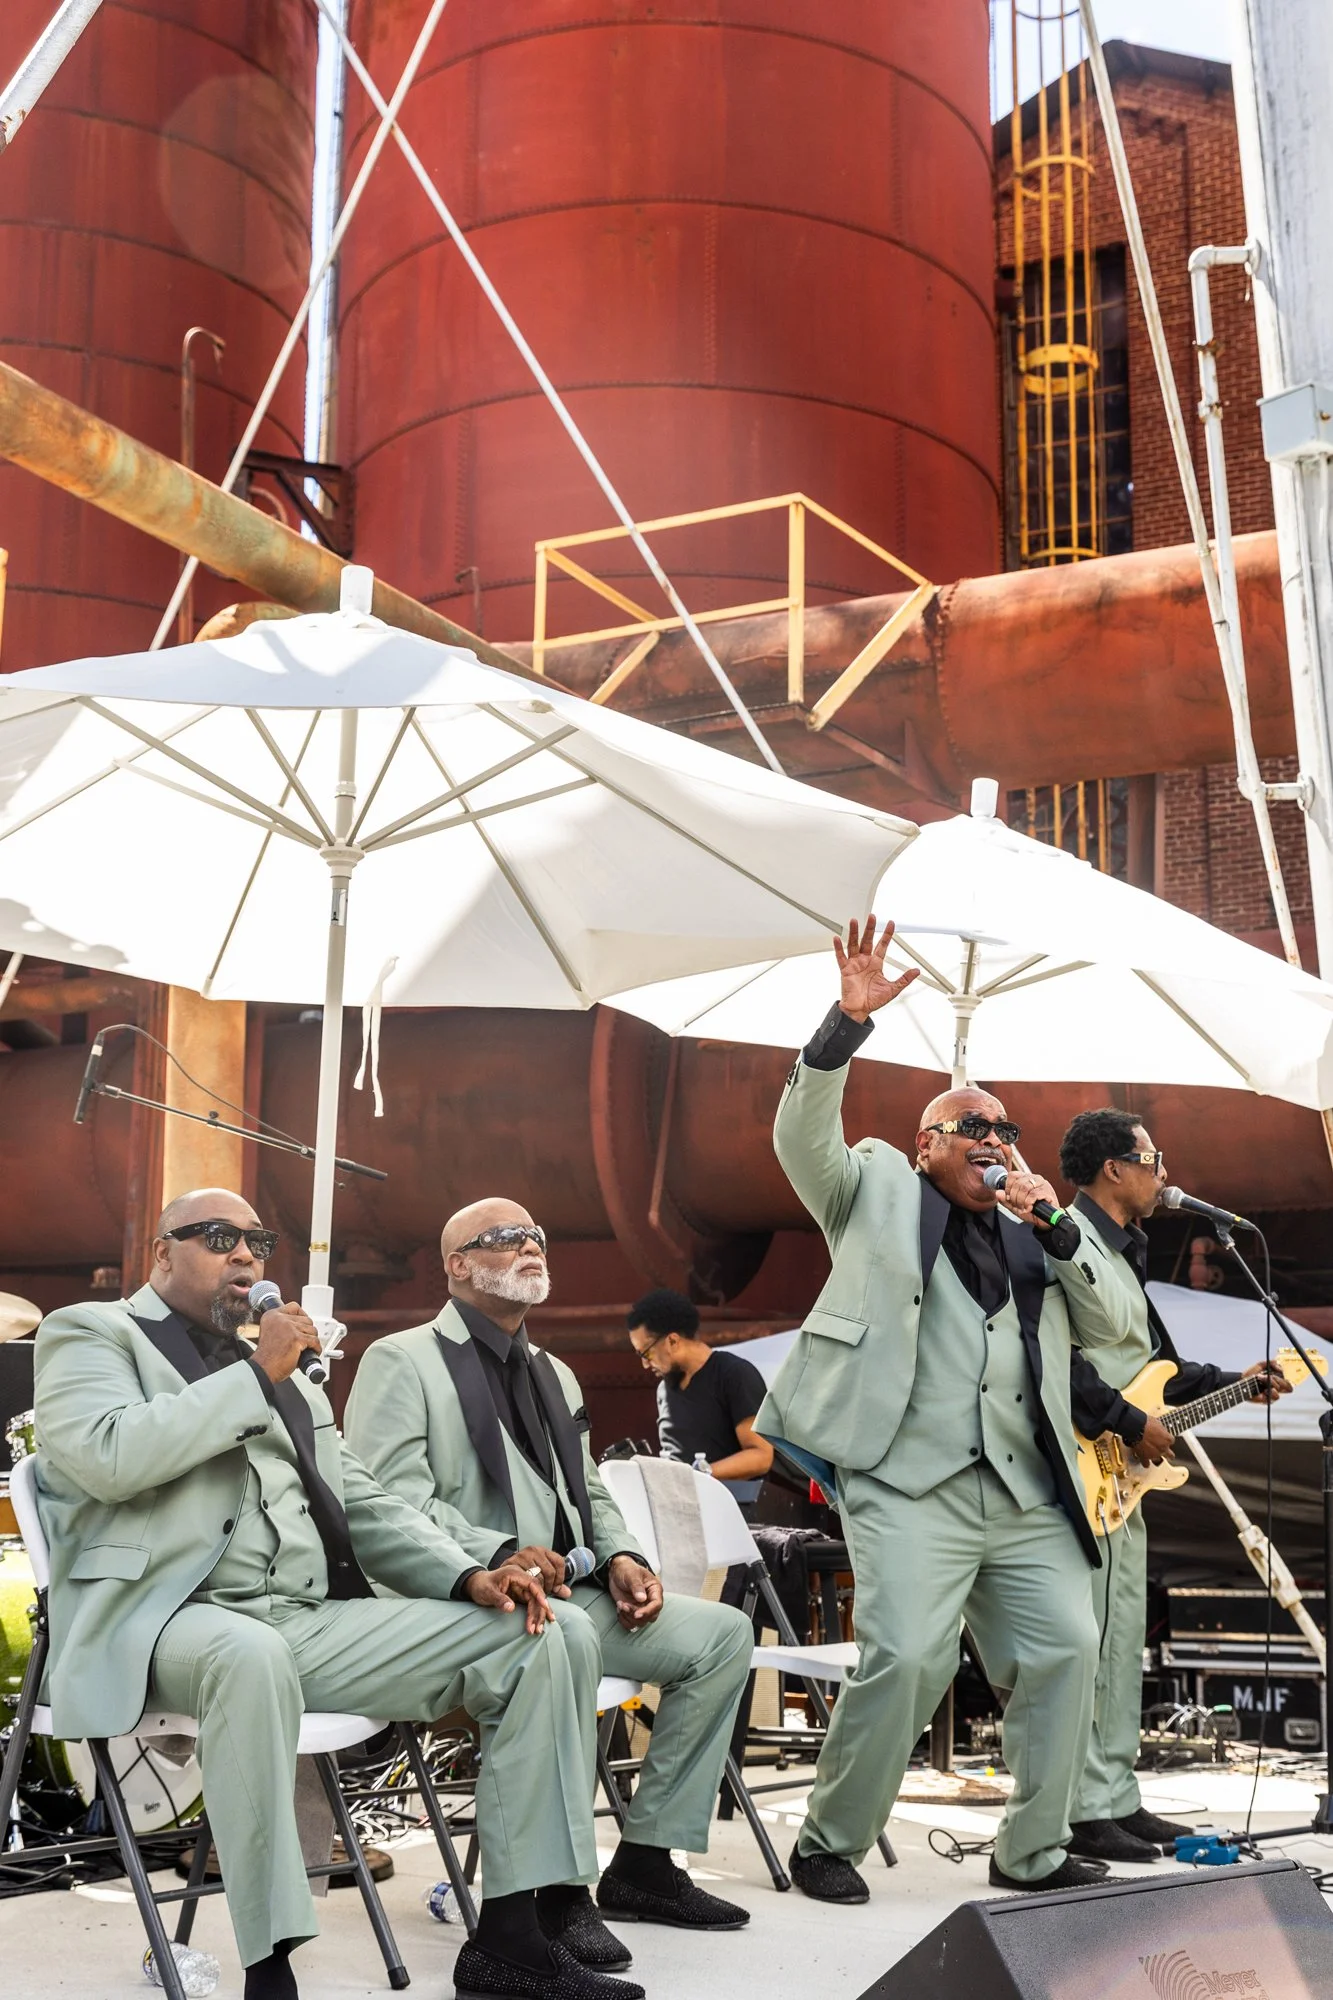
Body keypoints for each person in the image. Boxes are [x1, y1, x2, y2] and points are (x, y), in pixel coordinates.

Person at [34, 1188, 643, 2000]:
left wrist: (467, 1574)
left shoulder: (283, 1370)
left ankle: (510, 1937)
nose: (246, 1255)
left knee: (547, 1633)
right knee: (246, 1654)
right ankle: (271, 1967)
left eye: (259, 1240)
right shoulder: (91, 1332)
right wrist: (258, 1375)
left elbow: (365, 1501)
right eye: (219, 1237)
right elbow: (105, 1457)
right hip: (163, 1622)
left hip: (302, 1620)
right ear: (160, 1253)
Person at [755, 917, 1139, 1903]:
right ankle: (829, 1840)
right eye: (975, 1128)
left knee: (1065, 1645)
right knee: (910, 1654)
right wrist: (842, 1026)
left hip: (1021, 1485)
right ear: (926, 1143)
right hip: (905, 1476)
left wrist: (1053, 1220)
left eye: (1006, 1129)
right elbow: (801, 1138)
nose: (996, 1143)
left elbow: (1118, 1319)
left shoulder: (1038, 1230)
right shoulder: (873, 1185)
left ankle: (1032, 1847)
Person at [344, 1200, 755, 1972]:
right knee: (559, 1643)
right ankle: (558, 1893)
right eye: (504, 1238)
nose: (529, 1246)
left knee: (724, 1635)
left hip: (570, 1593)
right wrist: (497, 1549)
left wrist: (625, 1552)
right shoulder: (400, 1360)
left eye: (536, 1234)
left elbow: (588, 1489)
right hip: (467, 1601)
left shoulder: (553, 1370)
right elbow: (391, 1501)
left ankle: (646, 1863)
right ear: (458, 1265)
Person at [1060, 1109, 1289, 1864]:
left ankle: (1115, 1795)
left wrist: (1238, 1382)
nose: (1163, 1171)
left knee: (1124, 1639)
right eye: (1150, 1157)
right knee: (1088, 1643)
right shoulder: (1061, 1240)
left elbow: (1164, 1367)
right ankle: (1081, 1808)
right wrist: (1125, 1421)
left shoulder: (1125, 1250)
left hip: (1124, 1478)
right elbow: (1048, 1361)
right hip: (1084, 1465)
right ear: (1113, 1170)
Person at [627, 1288, 773, 1488]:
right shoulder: (665, 1389)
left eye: (646, 1354)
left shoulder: (734, 1374)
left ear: (672, 1341)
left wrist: (699, 1475)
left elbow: (761, 1456)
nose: (644, 1365)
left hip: (729, 1507)